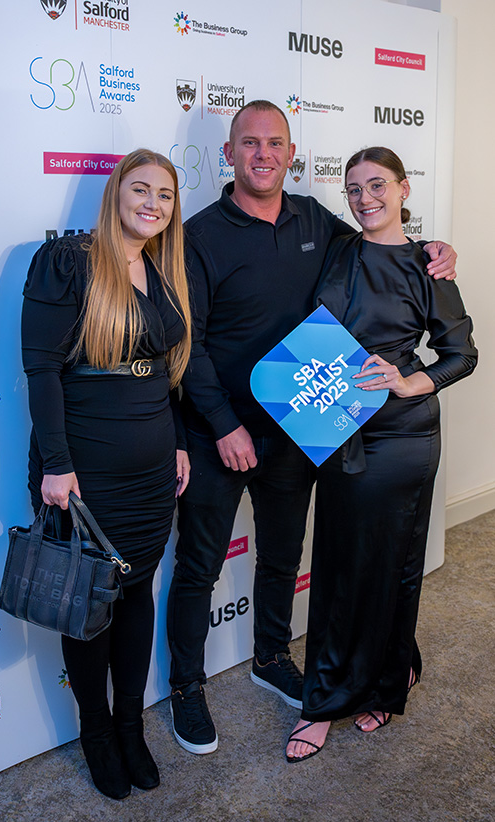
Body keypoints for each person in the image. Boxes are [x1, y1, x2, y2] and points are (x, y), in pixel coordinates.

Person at [166, 100, 458, 756]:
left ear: (291, 155)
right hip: (218, 432)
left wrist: (434, 250)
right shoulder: (198, 235)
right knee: (198, 566)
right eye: (249, 143)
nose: (262, 154)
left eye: (274, 143)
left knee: (281, 556)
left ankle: (271, 656)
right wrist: (223, 426)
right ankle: (186, 686)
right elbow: (189, 344)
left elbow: (382, 244)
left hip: (298, 424)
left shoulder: (315, 219)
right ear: (228, 154)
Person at [285, 147, 477, 763]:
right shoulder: (338, 246)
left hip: (402, 437)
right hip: (336, 422)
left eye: (377, 185)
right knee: (339, 563)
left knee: (394, 563)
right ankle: (329, 696)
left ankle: (383, 684)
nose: (365, 198)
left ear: (403, 188)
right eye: (354, 188)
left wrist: (408, 383)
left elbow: (461, 355)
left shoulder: (429, 265)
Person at [21, 149, 191, 798]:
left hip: (152, 473)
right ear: (116, 193)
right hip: (87, 474)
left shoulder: (162, 273)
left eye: (165, 195)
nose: (152, 203)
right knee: (89, 602)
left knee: (137, 591)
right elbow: (42, 370)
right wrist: (56, 465)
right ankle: (96, 732)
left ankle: (130, 727)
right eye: (140, 189)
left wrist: (179, 443)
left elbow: (165, 374)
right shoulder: (70, 261)